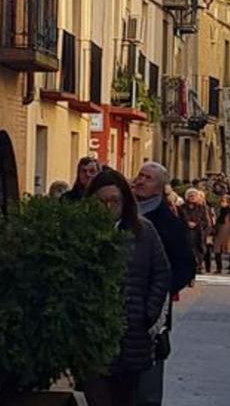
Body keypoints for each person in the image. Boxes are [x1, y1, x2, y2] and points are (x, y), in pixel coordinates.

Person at [82, 169, 171, 406]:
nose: (108, 207)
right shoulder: (80, 233)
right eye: (102, 201)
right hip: (93, 338)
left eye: (114, 200)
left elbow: (162, 273)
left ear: (124, 201)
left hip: (133, 337)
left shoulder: (144, 231)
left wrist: (147, 312)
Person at [131, 162, 196, 406]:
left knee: (148, 381)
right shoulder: (123, 213)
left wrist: (162, 292)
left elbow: (186, 265)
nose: (139, 180)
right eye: (140, 175)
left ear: (159, 188)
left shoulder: (168, 222)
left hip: (152, 314)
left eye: (147, 178)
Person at [180, 189, 211, 274]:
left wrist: (197, 224)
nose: (192, 197)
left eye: (194, 196)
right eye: (190, 196)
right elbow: (178, 220)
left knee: (198, 251)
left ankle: (198, 267)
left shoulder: (201, 208)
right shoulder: (182, 208)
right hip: (186, 233)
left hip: (198, 233)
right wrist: (186, 223)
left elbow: (206, 221)